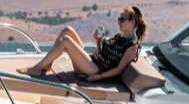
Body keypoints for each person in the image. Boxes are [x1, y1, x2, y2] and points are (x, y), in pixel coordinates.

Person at [18, 6, 148, 82]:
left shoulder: (132, 46)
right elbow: (100, 53)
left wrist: (95, 78)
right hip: (93, 61)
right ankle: (47, 65)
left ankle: (35, 69)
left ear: (133, 23)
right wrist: (98, 41)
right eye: (119, 19)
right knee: (68, 30)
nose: (119, 22)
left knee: (66, 42)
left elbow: (118, 69)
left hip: (95, 70)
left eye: (123, 19)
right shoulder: (119, 37)